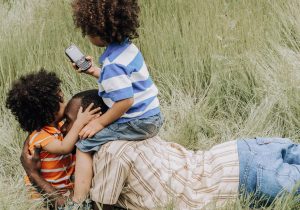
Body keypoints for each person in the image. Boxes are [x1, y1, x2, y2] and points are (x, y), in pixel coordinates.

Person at [22, 90, 300, 210]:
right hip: (246, 150)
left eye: (71, 123)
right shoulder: (133, 126)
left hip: (248, 180)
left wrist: (35, 175)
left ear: (93, 122)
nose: (65, 132)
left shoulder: (110, 154)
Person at [68, 0, 164, 206]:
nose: (87, 36)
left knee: (84, 144)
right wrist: (94, 71)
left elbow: (125, 100)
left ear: (98, 32)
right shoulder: (128, 49)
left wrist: (99, 123)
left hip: (138, 122)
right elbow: (122, 85)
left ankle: (78, 202)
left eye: (88, 32)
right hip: (153, 115)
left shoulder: (112, 64)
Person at [5, 70, 100, 209]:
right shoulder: (41, 136)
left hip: (62, 187)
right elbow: (64, 147)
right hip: (41, 197)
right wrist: (79, 122)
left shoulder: (58, 127)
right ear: (52, 107)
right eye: (61, 98)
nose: (65, 100)